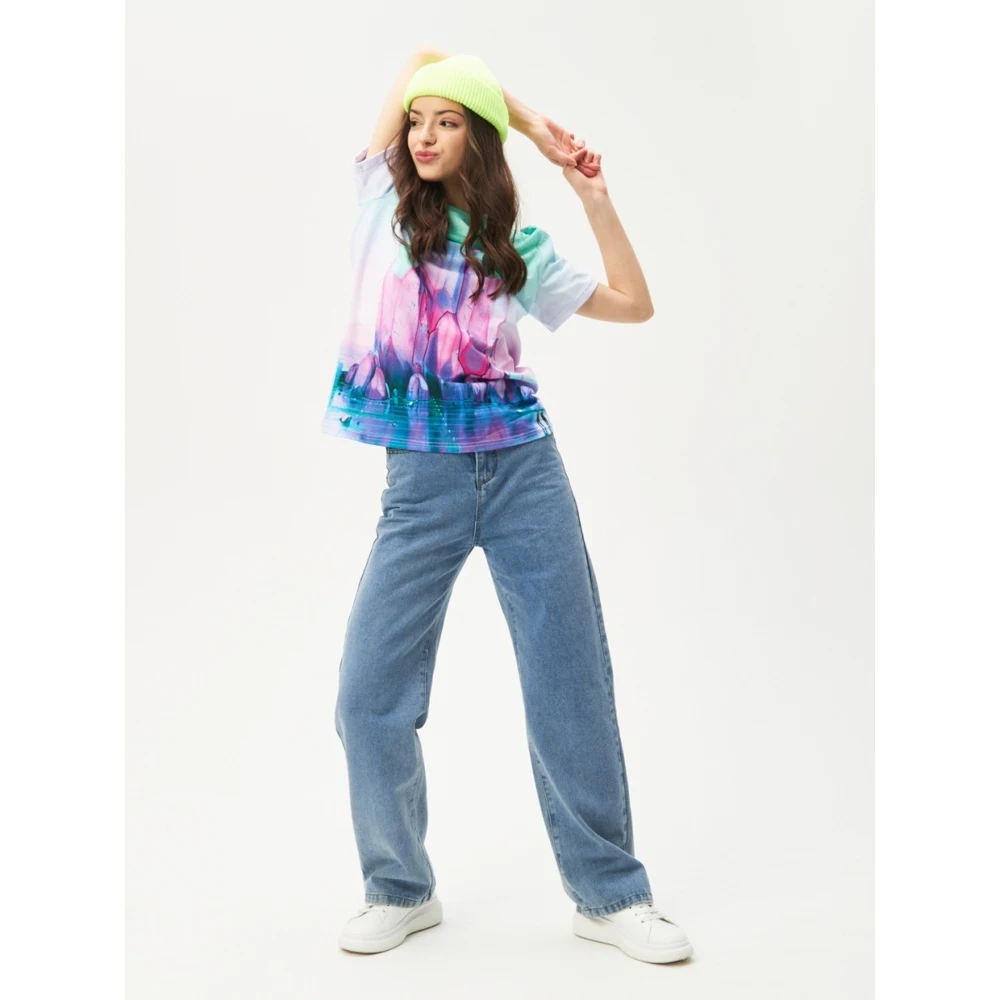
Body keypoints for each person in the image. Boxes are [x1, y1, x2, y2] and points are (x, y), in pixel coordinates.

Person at [324, 47, 694, 966]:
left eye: (448, 122)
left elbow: (634, 305)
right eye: (418, 120)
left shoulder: (511, 246)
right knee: (367, 696)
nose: (424, 134)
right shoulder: (381, 202)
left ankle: (610, 896)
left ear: (475, 141)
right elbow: (426, 56)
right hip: (422, 485)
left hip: (525, 472)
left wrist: (591, 194)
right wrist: (527, 118)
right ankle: (399, 888)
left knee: (571, 685)